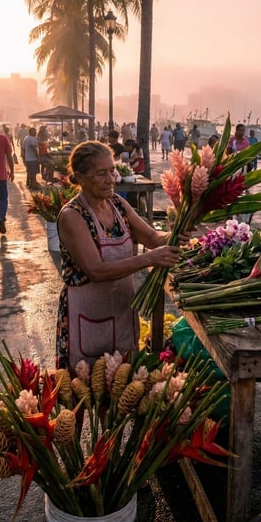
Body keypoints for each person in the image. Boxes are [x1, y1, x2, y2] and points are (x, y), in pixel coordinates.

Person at [56, 141, 184, 370]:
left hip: (122, 311)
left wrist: (177, 231)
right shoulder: (72, 216)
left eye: (112, 171)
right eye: (101, 173)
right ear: (81, 177)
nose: (111, 179)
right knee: (89, 389)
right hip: (87, 314)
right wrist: (150, 259)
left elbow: (153, 238)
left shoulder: (116, 204)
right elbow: (96, 270)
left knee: (126, 384)